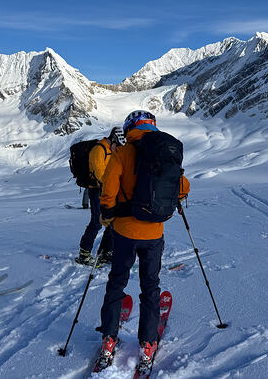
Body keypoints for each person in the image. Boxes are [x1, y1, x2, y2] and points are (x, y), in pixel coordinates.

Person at [96, 111, 190, 370]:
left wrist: (107, 212)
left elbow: (109, 187)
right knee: (150, 287)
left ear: (129, 128)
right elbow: (183, 187)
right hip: (154, 234)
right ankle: (148, 344)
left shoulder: (123, 153)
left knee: (117, 282)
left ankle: (108, 339)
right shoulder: (166, 153)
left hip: (124, 232)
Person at [75, 126, 125, 266]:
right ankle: (84, 254)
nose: (118, 149)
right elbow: (100, 175)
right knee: (97, 222)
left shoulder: (110, 150)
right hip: (97, 191)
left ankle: (106, 252)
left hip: (109, 190)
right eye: (118, 145)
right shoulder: (99, 150)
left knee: (112, 221)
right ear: (113, 140)